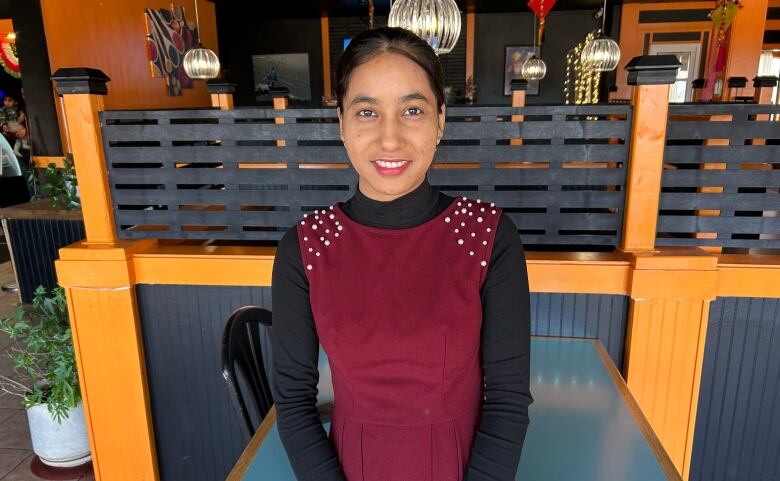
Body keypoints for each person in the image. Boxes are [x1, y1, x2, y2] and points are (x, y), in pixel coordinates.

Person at [271, 27, 533, 481]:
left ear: (440, 120)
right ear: (341, 123)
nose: (389, 139)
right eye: (367, 111)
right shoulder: (306, 247)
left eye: (412, 110)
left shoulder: (489, 237)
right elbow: (293, 402)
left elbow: (508, 398)